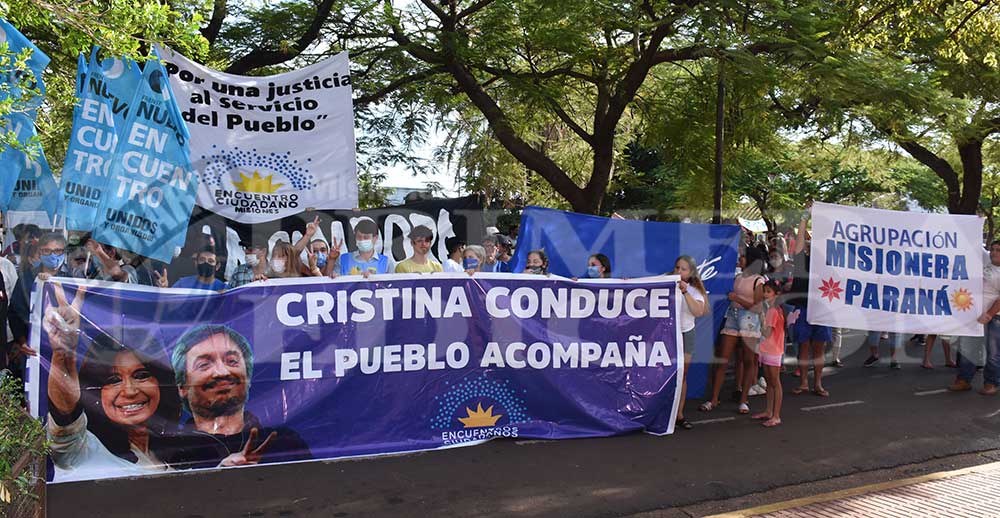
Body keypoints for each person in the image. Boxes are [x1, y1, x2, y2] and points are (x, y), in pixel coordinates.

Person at [167, 324, 312, 469]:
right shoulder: (171, 451)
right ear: (182, 387)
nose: (222, 372)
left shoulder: (283, 444)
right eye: (204, 365)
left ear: (248, 377)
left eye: (232, 361)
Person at [701, 247, 766, 413]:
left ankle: (744, 400)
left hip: (749, 320)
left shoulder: (758, 280)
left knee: (748, 360)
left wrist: (737, 298)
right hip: (732, 316)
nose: (740, 259)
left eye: (743, 256)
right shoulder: (737, 277)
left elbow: (758, 307)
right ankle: (714, 399)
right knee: (723, 358)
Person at [788, 204, 831, 397]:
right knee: (804, 347)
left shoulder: (828, 266)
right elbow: (799, 238)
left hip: (821, 310)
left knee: (819, 349)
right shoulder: (801, 262)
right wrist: (805, 216)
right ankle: (804, 382)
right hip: (803, 309)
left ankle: (818, 383)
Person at [949, 240, 1000, 395]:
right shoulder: (985, 264)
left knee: (993, 353)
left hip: (995, 318)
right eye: (992, 249)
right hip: (974, 315)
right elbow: (971, 242)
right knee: (967, 349)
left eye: (998, 250)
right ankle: (964, 380)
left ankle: (991, 383)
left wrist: (989, 314)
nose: (994, 252)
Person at [10, 232, 70, 361]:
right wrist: (22, 341)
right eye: (47, 251)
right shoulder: (27, 277)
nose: (52, 255)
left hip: (64, 348)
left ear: (64, 252)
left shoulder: (73, 280)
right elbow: (14, 311)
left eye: (57, 251)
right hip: (32, 347)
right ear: (40, 252)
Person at [673, 256, 707, 430]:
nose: (679, 271)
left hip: (686, 334)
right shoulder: (666, 283)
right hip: (667, 335)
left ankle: (679, 414)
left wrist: (685, 292)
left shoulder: (695, 290)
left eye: (683, 269)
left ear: (691, 272)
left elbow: (698, 311)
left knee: (682, 374)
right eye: (677, 267)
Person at [754, 280, 785, 428]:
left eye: (768, 292)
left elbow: (767, 333)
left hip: (772, 351)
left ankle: (776, 415)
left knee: (774, 382)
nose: (765, 294)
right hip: (768, 349)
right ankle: (769, 411)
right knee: (770, 382)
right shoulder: (773, 309)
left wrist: (761, 320)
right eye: (764, 291)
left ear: (776, 294)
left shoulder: (772, 311)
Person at [160, 247, 227, 291]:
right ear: (196, 263)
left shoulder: (224, 289)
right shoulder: (182, 284)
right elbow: (169, 303)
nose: (206, 263)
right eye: (202, 259)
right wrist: (164, 290)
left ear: (217, 266)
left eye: (210, 261)